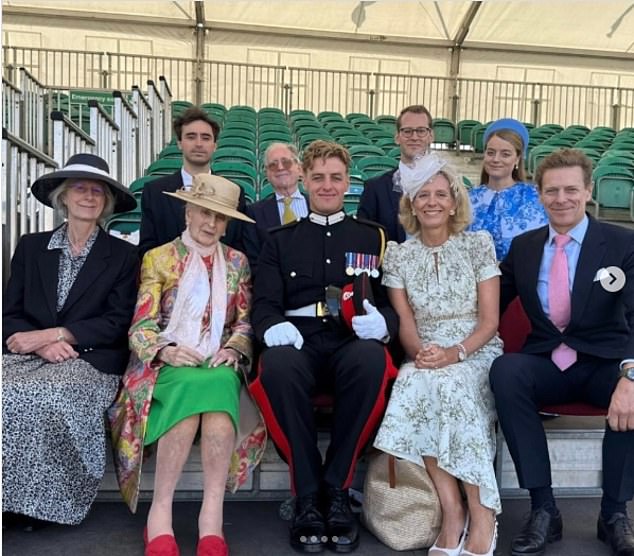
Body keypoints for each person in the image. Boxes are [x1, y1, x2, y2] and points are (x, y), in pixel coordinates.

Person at [249, 140, 399, 554]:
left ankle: (336, 488)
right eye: (318, 177)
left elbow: (392, 302)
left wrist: (384, 323)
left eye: (336, 177)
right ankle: (307, 494)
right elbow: (263, 304)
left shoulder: (373, 238)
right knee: (277, 367)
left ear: (348, 182)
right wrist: (272, 327)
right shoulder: (279, 240)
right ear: (304, 179)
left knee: (373, 360)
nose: (327, 185)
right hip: (297, 338)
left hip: (350, 338)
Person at [109, 174, 266, 556]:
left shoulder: (237, 262)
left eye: (220, 218)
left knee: (214, 393)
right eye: (203, 213)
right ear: (187, 211)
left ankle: (211, 513)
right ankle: (159, 511)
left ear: (228, 223)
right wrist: (165, 350)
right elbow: (142, 325)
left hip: (217, 363)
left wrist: (234, 349)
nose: (211, 224)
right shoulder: (158, 257)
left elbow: (244, 322)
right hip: (164, 363)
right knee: (190, 397)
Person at [490, 149, 634, 556]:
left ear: (588, 191)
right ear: (539, 194)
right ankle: (543, 509)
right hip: (548, 363)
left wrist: (631, 375)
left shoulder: (623, 243)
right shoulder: (524, 247)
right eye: (551, 190)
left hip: (603, 363)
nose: (561, 198)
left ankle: (614, 514)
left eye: (571, 189)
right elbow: (489, 304)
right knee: (506, 371)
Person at [374, 153, 502, 556]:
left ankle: (483, 513)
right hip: (426, 351)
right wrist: (422, 353)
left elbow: (490, 321)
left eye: (440, 194)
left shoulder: (477, 246)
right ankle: (452, 510)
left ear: (453, 202)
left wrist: (455, 352)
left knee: (450, 385)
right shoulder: (398, 254)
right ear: (411, 204)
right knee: (413, 381)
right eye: (422, 195)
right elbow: (405, 320)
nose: (431, 201)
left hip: (474, 349)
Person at [2, 153, 139, 528]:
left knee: (49, 395)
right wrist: (41, 344)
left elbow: (118, 321)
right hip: (30, 355)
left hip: (92, 360)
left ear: (107, 203)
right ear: (63, 197)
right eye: (80, 189)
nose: (89, 197)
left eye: (98, 191)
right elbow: (10, 312)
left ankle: (44, 504)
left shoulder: (124, 256)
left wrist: (60, 334)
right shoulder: (31, 247)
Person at [138, 106, 246, 258]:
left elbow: (237, 247)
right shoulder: (155, 191)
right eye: (191, 137)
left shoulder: (235, 192)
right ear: (180, 143)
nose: (199, 144)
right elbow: (147, 247)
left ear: (215, 146)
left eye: (206, 138)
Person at [468, 118, 547, 261]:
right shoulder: (468, 199)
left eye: (505, 154)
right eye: (491, 152)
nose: (496, 159)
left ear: (517, 159)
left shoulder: (536, 198)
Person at [358, 104, 435, 242]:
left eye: (421, 131)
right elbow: (364, 242)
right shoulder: (375, 189)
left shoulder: (448, 187)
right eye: (407, 131)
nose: (414, 137)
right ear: (397, 137)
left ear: (431, 136)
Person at [242, 142, 308, 273]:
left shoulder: (317, 205)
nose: (280, 167)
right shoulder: (254, 213)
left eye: (286, 162)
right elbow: (254, 263)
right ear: (267, 173)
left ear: (299, 168)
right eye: (273, 165)